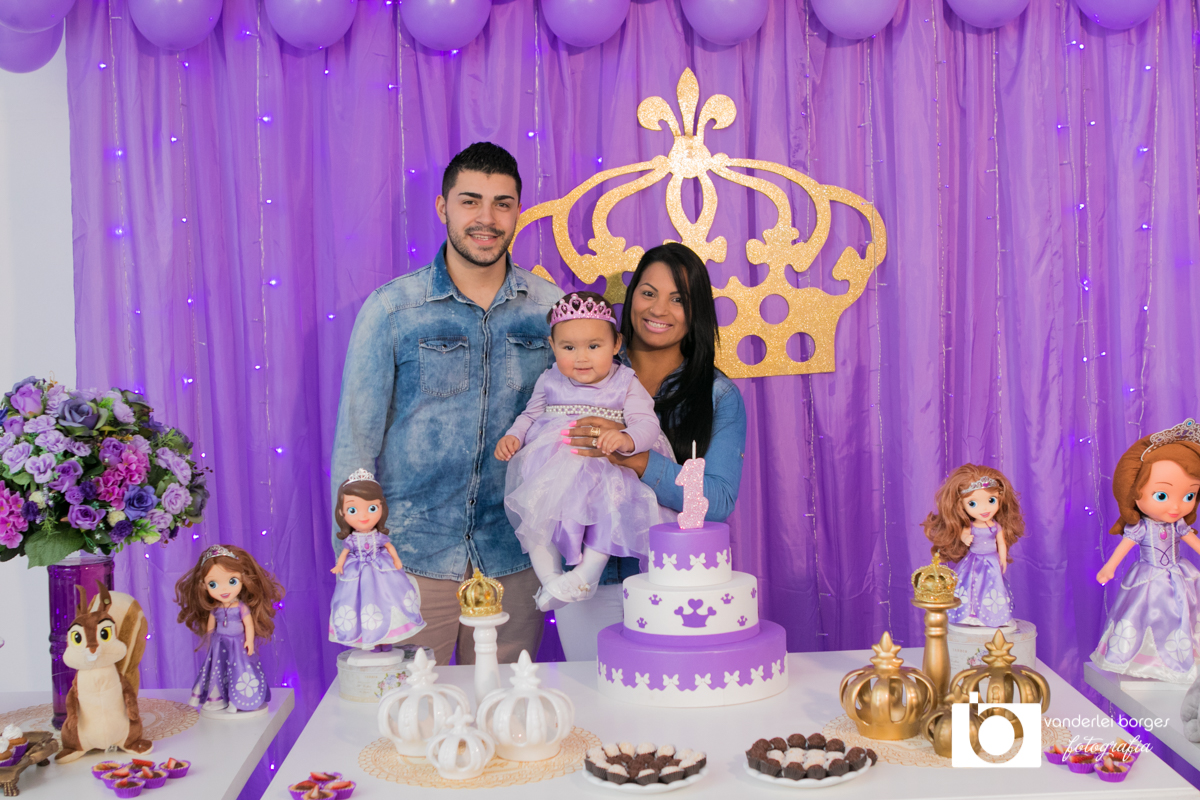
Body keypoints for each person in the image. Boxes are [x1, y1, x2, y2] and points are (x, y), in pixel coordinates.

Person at [330, 142, 563, 668]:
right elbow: (355, 445)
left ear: (518, 211)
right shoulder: (393, 310)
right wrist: (357, 557)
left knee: (508, 707)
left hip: (515, 554)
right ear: (443, 207)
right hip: (409, 559)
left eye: (502, 203)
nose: (487, 219)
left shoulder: (551, 311)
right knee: (407, 710)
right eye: (470, 201)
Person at [554, 242, 748, 660]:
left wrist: (636, 457)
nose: (659, 309)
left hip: (672, 581)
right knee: (591, 690)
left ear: (696, 312)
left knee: (672, 692)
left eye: (679, 299)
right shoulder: (578, 371)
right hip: (587, 580)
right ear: (631, 298)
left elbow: (717, 500)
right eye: (648, 292)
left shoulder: (718, 396)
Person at [495, 291, 666, 612]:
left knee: (610, 508)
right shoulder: (549, 379)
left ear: (616, 344)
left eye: (594, 346)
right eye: (569, 348)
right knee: (537, 515)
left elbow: (647, 424)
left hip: (603, 465)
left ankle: (587, 575)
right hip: (551, 467)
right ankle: (550, 578)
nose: (581, 358)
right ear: (552, 346)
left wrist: (626, 439)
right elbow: (529, 415)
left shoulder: (625, 381)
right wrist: (514, 436)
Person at [1092, 421, 1200, 683]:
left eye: (1189, 496)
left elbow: (1192, 541)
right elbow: (1124, 546)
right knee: (1143, 614)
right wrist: (1109, 567)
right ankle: (1147, 661)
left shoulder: (1178, 525)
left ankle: (1181, 658)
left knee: (1181, 613)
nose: (1176, 507)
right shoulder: (1141, 527)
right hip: (1149, 577)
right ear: (1132, 490)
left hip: (1178, 575)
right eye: (1162, 495)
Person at [175, 544, 284, 714]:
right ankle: (218, 699)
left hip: (238, 644)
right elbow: (211, 626)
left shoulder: (241, 607)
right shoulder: (215, 609)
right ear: (203, 585)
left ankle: (239, 700)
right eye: (213, 584)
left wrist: (249, 641)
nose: (224, 589)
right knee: (218, 670)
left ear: (243, 579)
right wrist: (209, 639)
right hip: (219, 644)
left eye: (232, 581)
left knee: (239, 669)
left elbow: (248, 624)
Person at [329, 469, 425, 660]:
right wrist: (340, 566)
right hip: (358, 573)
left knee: (387, 598)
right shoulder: (352, 539)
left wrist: (396, 560)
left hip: (382, 569)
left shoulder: (379, 536)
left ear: (381, 507)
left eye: (372, 508)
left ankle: (386, 639)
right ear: (342, 512)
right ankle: (372, 639)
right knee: (363, 602)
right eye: (353, 510)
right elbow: (345, 552)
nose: (363, 516)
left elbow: (389, 547)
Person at [921, 464, 1024, 628]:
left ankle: (993, 615)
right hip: (973, 561)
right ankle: (970, 614)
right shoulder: (970, 526)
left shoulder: (996, 527)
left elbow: (1001, 543)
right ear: (961, 505)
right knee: (971, 585)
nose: (984, 508)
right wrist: (964, 538)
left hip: (991, 561)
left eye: (991, 500)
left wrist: (1003, 559)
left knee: (991, 586)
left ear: (1000, 498)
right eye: (973, 503)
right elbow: (964, 535)